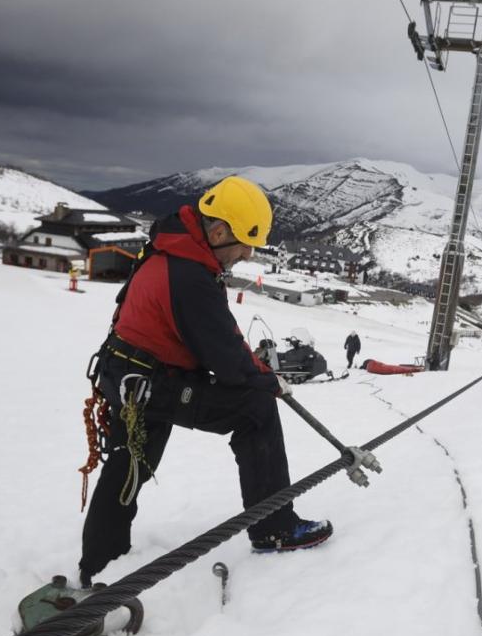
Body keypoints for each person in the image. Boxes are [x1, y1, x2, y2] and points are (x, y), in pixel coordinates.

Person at [78, 176, 332, 587]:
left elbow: (220, 338)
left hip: (131, 373)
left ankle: (99, 565)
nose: (248, 254)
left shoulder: (175, 247)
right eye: (245, 243)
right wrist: (267, 383)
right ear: (217, 232)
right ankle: (274, 527)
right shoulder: (189, 276)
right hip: (149, 379)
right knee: (255, 409)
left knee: (131, 463)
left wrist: (259, 372)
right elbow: (228, 360)